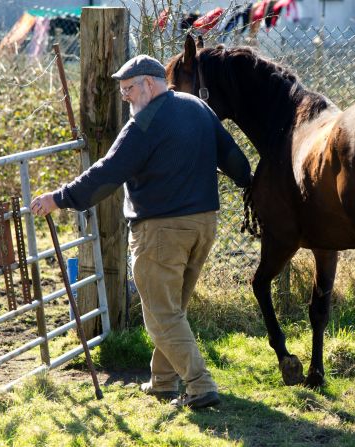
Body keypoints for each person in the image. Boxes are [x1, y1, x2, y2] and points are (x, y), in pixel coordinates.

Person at [31, 55, 252, 409]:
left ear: (150, 83)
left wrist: (59, 198)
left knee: (160, 315)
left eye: (129, 89)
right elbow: (232, 156)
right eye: (122, 91)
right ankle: (164, 381)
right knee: (171, 308)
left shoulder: (145, 123)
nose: (126, 97)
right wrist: (248, 184)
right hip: (204, 224)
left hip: (161, 230)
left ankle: (199, 386)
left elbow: (107, 172)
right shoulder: (197, 107)